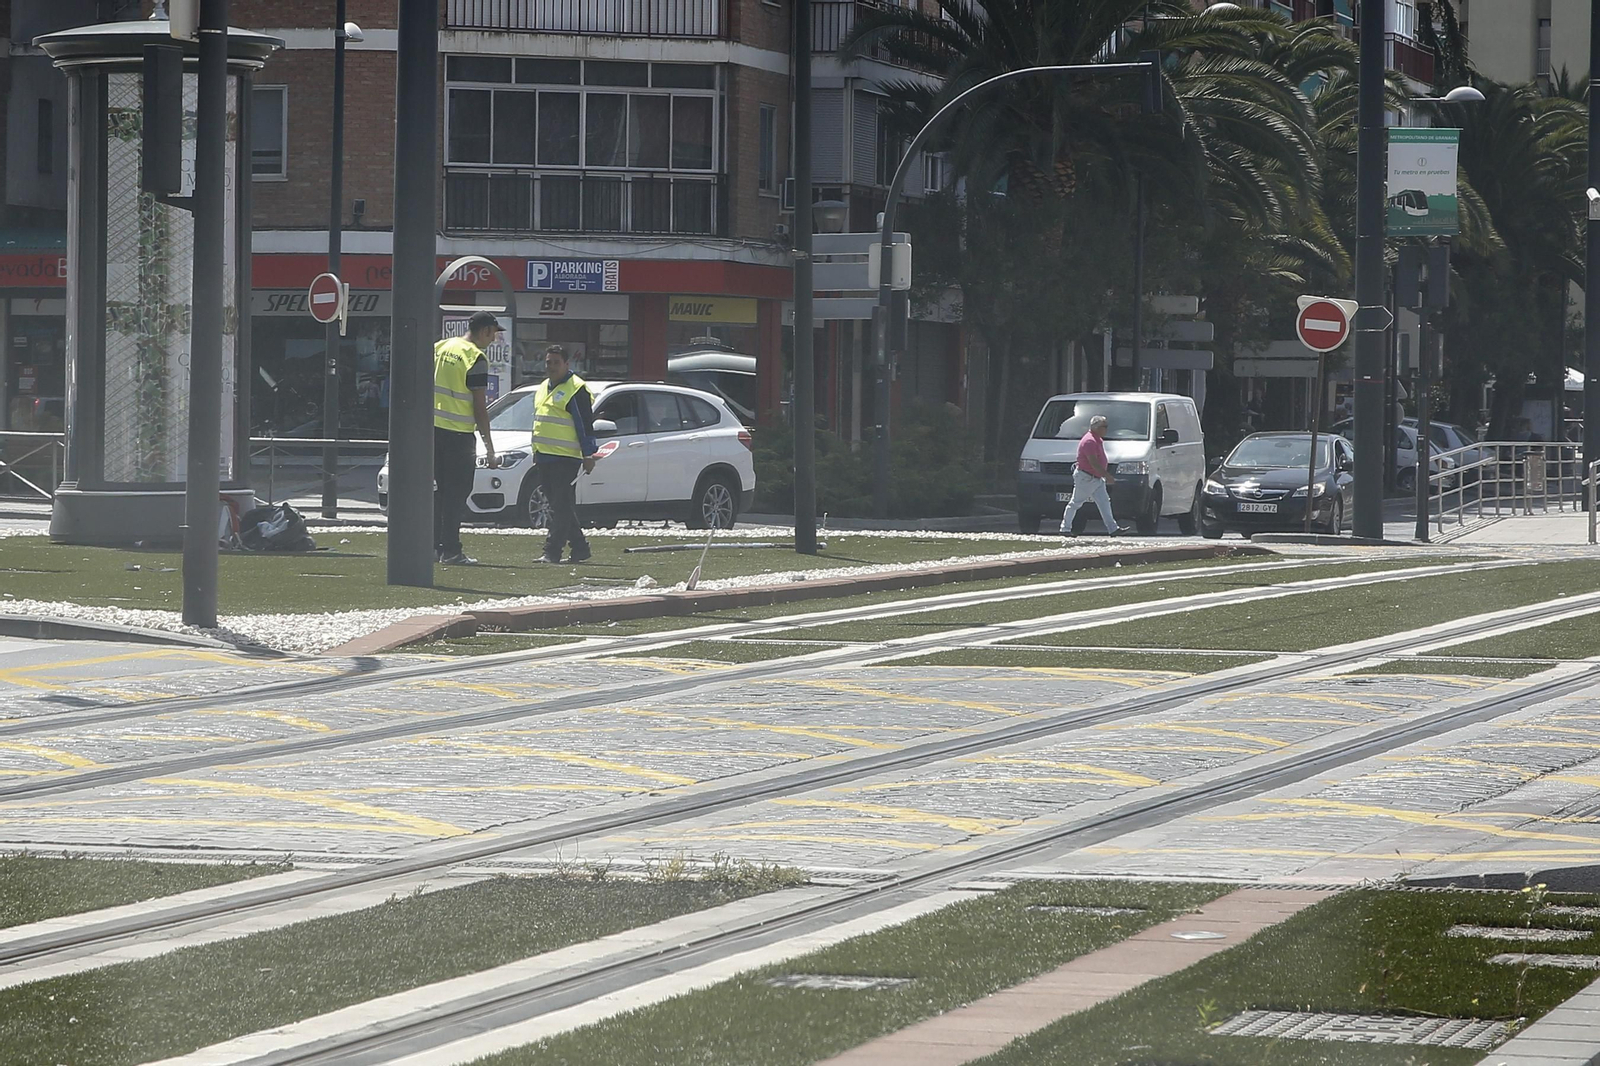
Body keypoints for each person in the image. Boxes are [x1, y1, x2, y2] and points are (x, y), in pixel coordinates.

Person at [433, 311, 498, 566]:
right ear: (485, 331)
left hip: (433, 430)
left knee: (439, 492)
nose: (493, 340)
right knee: (456, 494)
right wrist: (489, 447)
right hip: (458, 434)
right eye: (493, 334)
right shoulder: (475, 358)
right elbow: (479, 408)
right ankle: (451, 550)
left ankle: (433, 547)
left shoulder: (441, 346)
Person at [533, 344, 599, 564]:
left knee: (560, 505)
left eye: (556, 362)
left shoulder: (576, 388)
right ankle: (580, 547)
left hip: (565, 457)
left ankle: (552, 551)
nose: (551, 366)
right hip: (544, 455)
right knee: (560, 505)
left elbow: (585, 425)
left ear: (567, 364)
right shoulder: (543, 386)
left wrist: (588, 455)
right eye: (548, 362)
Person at [1059, 414, 1130, 537]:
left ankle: (1113, 529)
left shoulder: (1097, 439)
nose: (1106, 429)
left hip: (1096, 478)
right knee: (1075, 503)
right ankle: (1065, 529)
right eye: (1104, 426)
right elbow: (1094, 463)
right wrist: (1107, 476)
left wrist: (1103, 476)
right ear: (1096, 427)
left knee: (1104, 502)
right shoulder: (1089, 441)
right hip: (1087, 477)